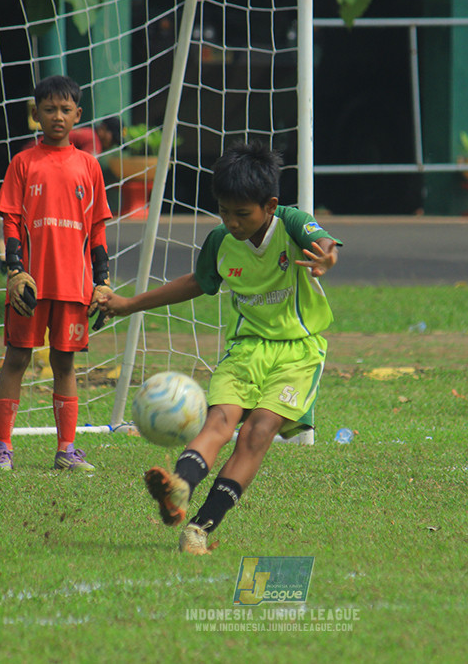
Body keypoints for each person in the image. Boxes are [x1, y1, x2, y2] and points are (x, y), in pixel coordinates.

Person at [97, 142, 341, 554]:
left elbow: (324, 242)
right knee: (218, 422)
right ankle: (179, 486)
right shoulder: (220, 240)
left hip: (298, 354)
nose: (232, 222)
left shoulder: (291, 222)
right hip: (245, 350)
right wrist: (128, 304)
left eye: (242, 214)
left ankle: (200, 527)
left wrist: (326, 257)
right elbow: (197, 282)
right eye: (224, 212)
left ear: (270, 205)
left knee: (258, 432)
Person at [0, 75, 113, 471]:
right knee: (16, 358)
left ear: (78, 114)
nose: (57, 116)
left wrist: (102, 281)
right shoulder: (23, 163)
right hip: (31, 285)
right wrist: (15, 271)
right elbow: (11, 220)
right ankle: (3, 447)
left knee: (65, 364)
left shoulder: (89, 166)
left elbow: (97, 229)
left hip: (73, 286)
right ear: (35, 113)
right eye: (49, 109)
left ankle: (66, 449)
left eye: (65, 110)